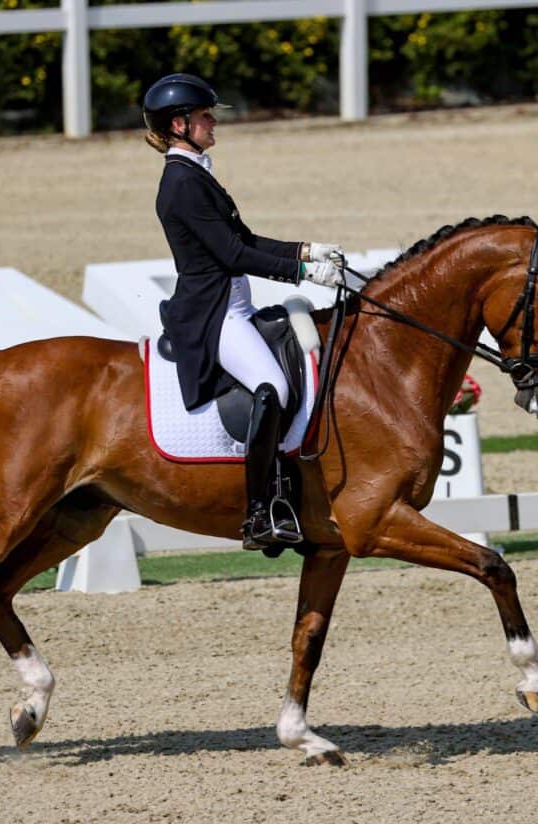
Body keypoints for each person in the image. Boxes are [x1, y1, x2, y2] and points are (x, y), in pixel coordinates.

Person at [142, 72, 345, 551]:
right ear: (178, 124)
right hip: (213, 318)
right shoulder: (182, 183)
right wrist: (302, 275)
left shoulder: (197, 173)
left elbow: (245, 239)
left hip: (234, 305)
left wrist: (307, 250)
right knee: (271, 388)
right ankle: (260, 511)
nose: (214, 123)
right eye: (205, 116)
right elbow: (233, 256)